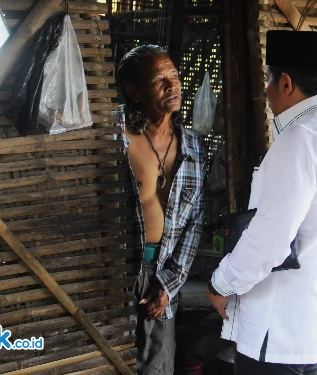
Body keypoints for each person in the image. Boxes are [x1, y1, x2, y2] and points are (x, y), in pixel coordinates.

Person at [206, 30, 317, 374]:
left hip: (277, 329)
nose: (266, 93)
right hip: (311, 322)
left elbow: (270, 240)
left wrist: (221, 283)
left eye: (268, 81)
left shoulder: (303, 137)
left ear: (285, 83)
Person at [115, 45, 207, 374]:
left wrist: (169, 286)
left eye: (174, 77)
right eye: (159, 80)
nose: (173, 85)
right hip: (116, 275)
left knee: (157, 367)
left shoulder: (193, 146)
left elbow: (194, 224)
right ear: (134, 93)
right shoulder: (113, 139)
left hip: (164, 273)